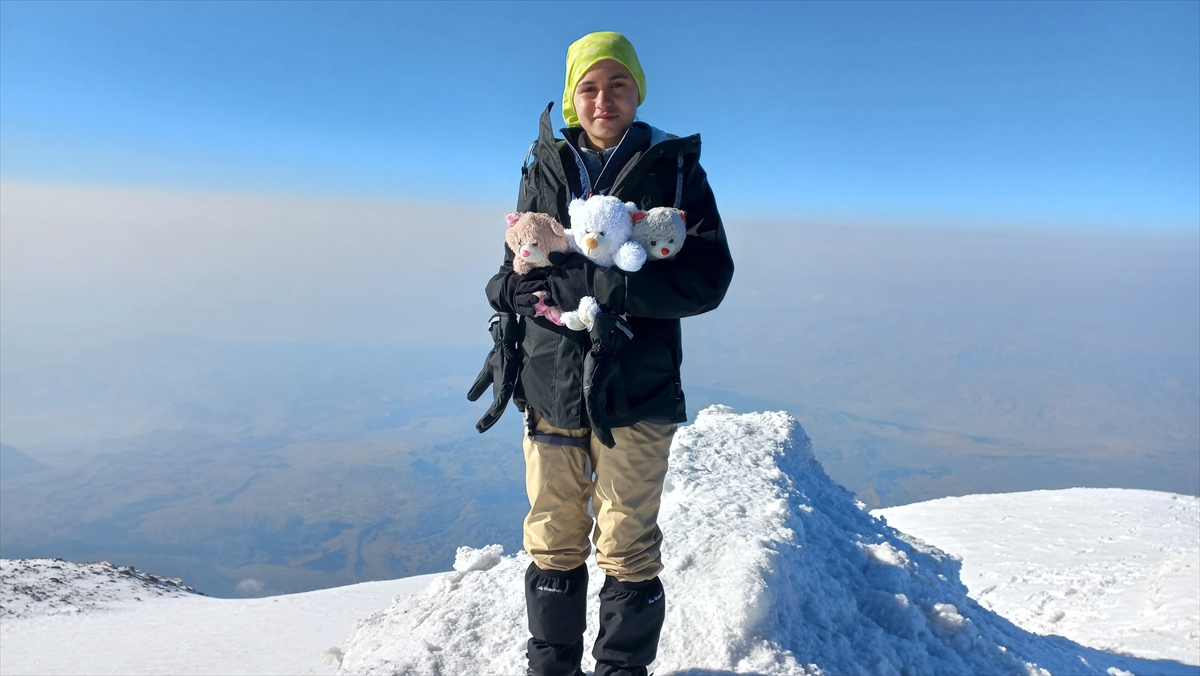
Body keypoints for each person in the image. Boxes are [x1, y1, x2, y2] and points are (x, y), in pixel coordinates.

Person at [484, 31, 734, 676]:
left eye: (617, 85)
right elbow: (523, 254)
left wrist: (602, 284)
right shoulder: (543, 163)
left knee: (627, 546)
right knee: (552, 541)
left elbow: (708, 279)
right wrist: (504, 287)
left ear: (637, 90)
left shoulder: (674, 168)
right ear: (573, 98)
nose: (603, 100)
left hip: (637, 387)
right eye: (589, 88)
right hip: (550, 384)